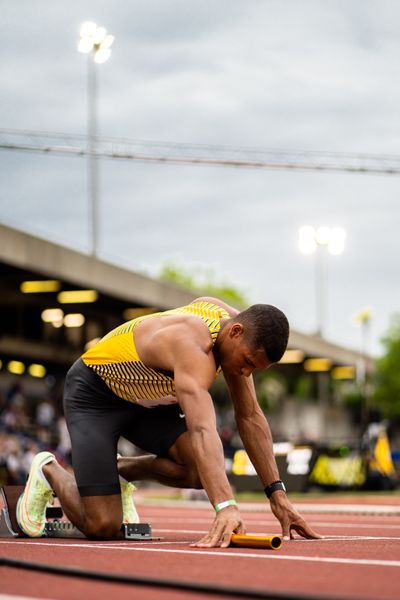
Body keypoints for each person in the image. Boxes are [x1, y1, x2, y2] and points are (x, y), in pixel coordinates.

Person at [16, 297, 321, 545]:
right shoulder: (192, 345)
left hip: (148, 402)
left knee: (203, 469)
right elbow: (202, 428)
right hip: (97, 396)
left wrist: (278, 496)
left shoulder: (236, 336)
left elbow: (251, 417)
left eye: (256, 369)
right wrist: (226, 507)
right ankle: (48, 470)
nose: (246, 374)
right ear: (236, 332)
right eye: (248, 363)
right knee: (102, 526)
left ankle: (119, 470)